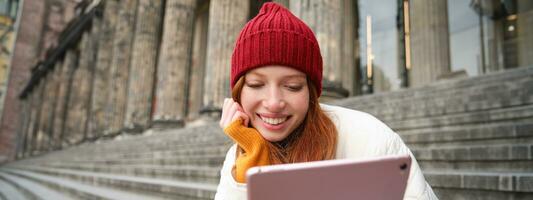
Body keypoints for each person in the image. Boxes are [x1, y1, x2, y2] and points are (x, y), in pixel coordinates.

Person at [215, 2, 437, 200]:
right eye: (256, 85)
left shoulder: (371, 138)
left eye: (292, 86)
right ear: (238, 92)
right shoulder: (239, 156)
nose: (273, 103)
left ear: (312, 91)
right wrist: (252, 157)